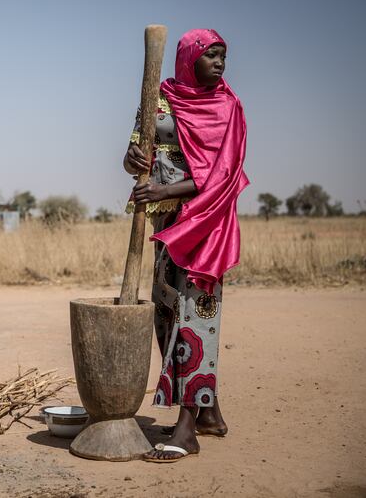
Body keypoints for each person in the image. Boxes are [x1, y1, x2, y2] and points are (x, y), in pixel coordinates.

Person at [123, 29, 249, 462]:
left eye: (223, 57)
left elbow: (225, 174)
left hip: (204, 226)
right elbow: (132, 152)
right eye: (210, 55)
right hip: (164, 226)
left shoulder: (228, 107)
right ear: (188, 59)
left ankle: (187, 429)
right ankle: (207, 413)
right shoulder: (160, 96)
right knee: (165, 317)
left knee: (195, 322)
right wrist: (134, 160)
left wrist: (163, 190)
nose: (219, 63)